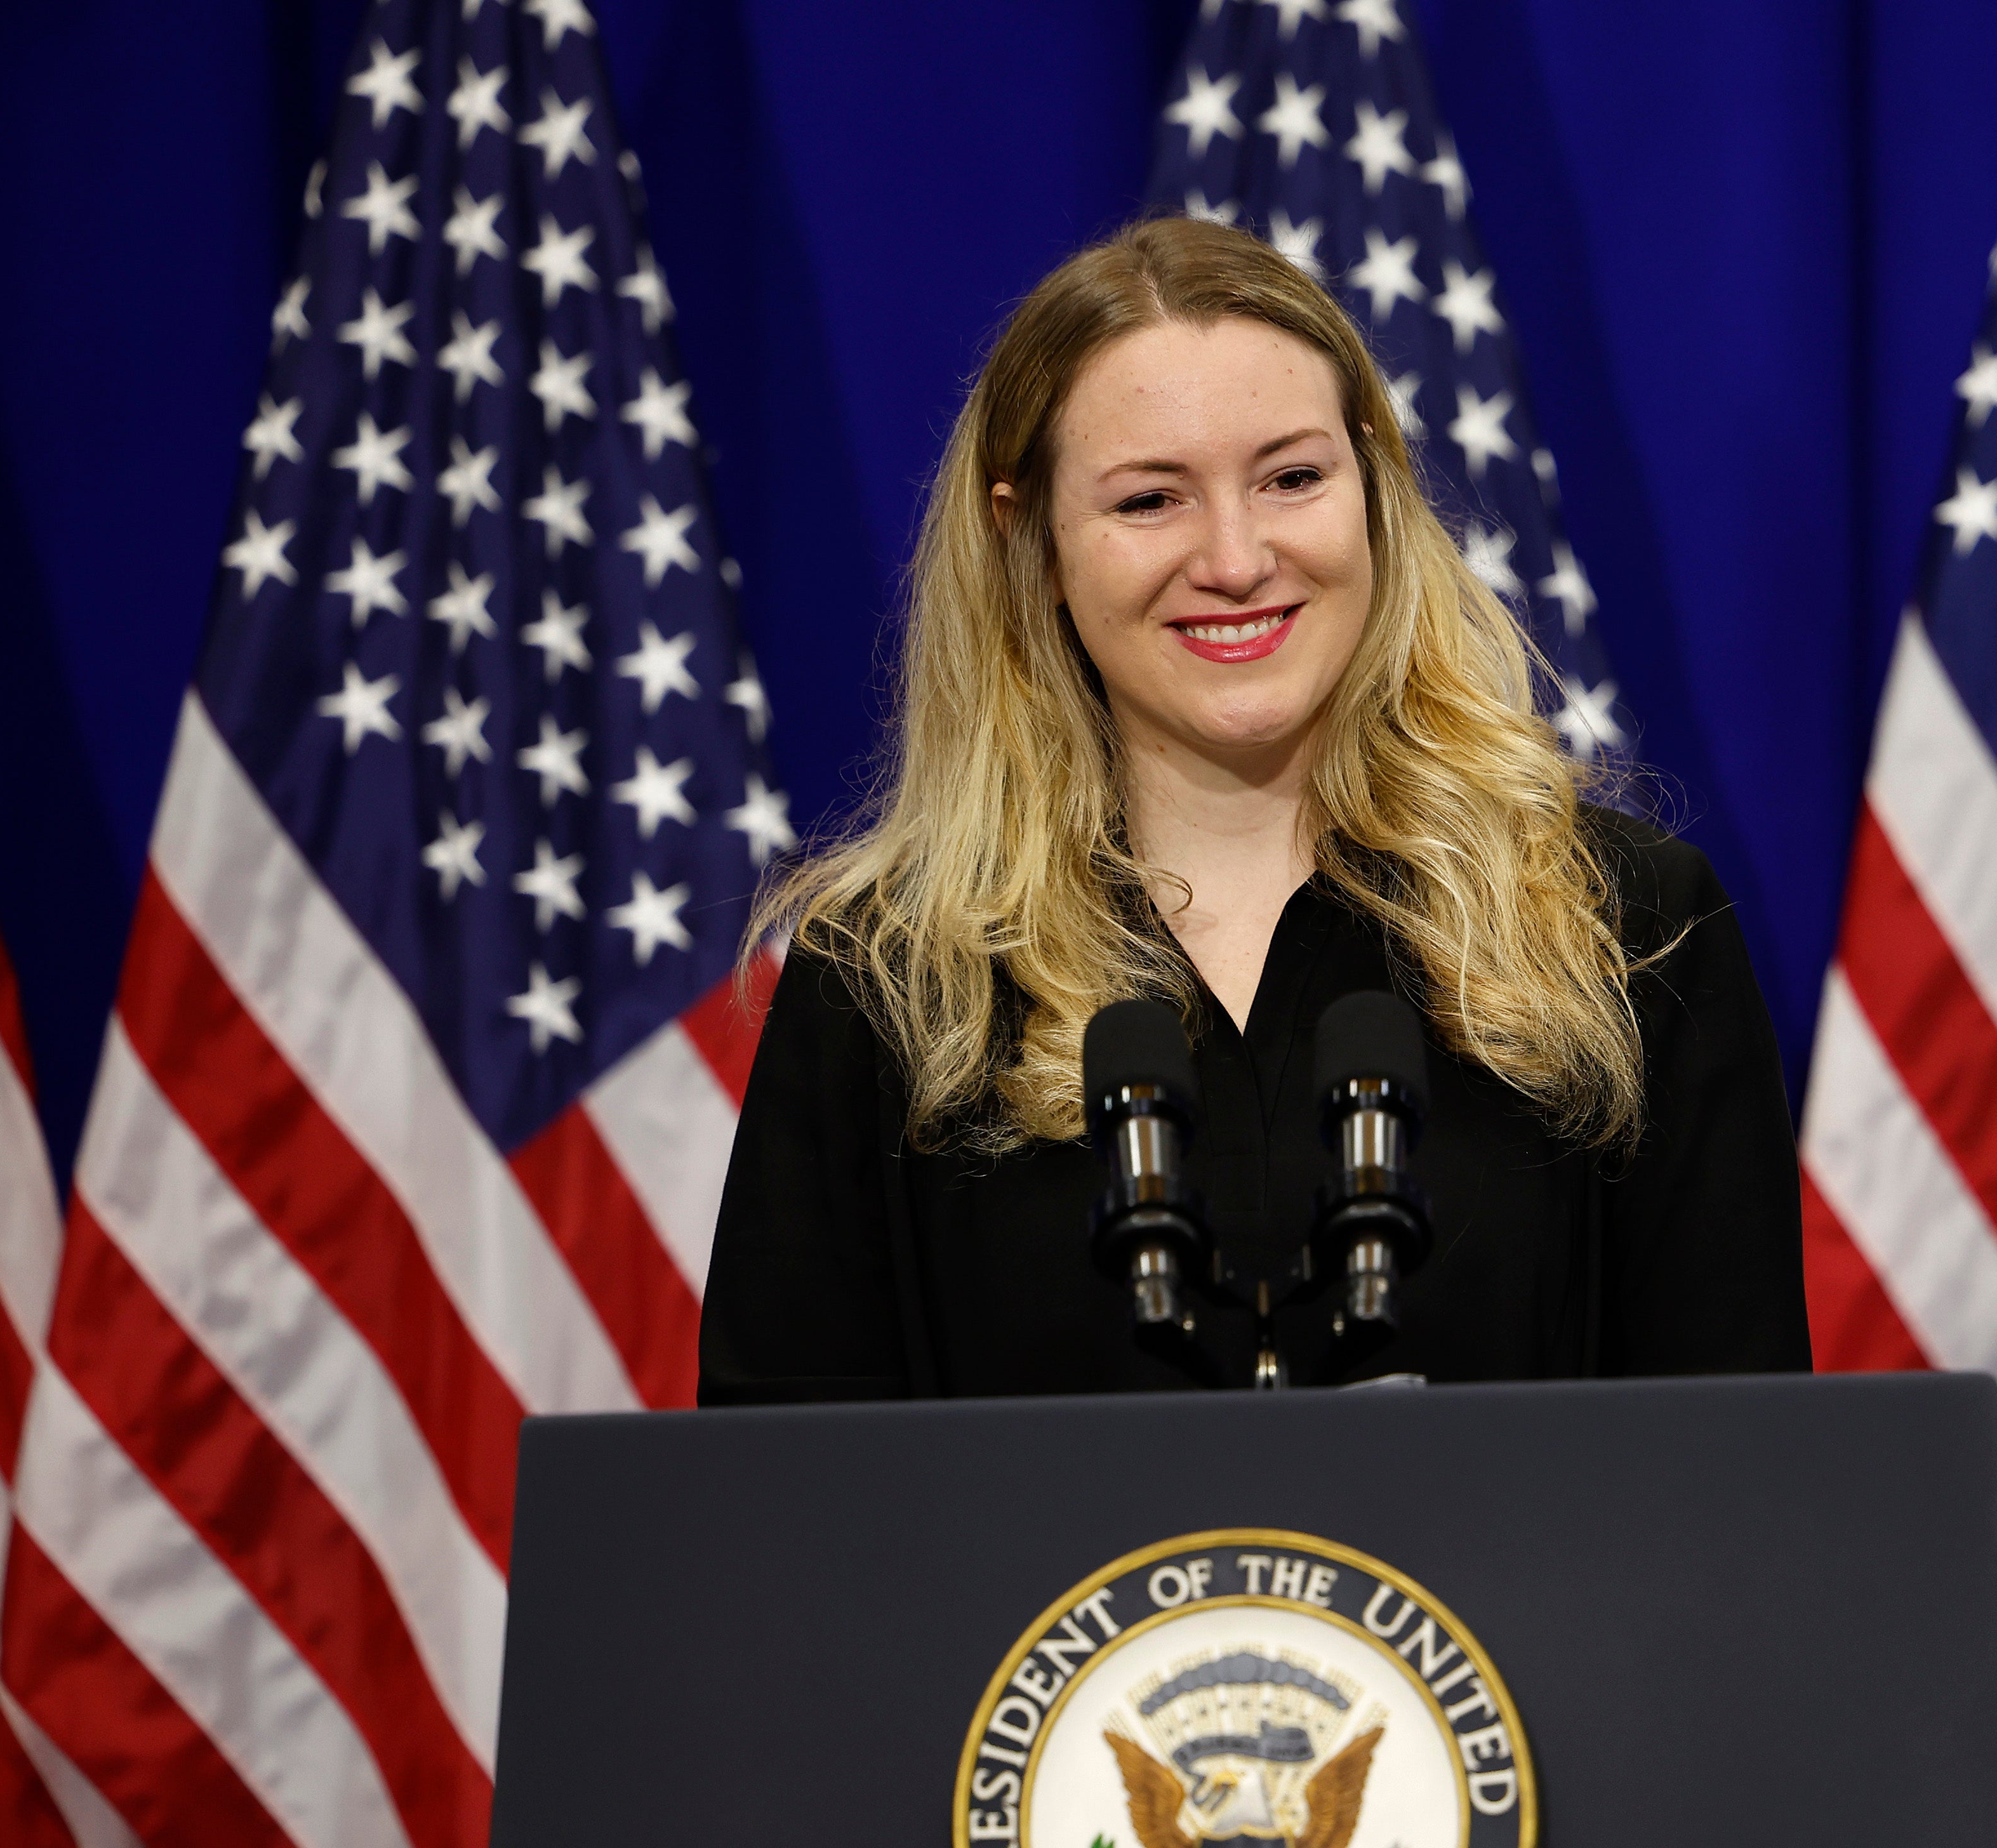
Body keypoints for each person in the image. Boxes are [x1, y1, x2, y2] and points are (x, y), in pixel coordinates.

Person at [698, 217, 1810, 1401]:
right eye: (1150, 501)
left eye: (1291, 479)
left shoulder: (1624, 925)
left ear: (1374, 490)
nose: (1235, 558)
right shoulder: (889, 981)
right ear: (1029, 537)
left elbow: (1738, 1491)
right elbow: (786, 1527)